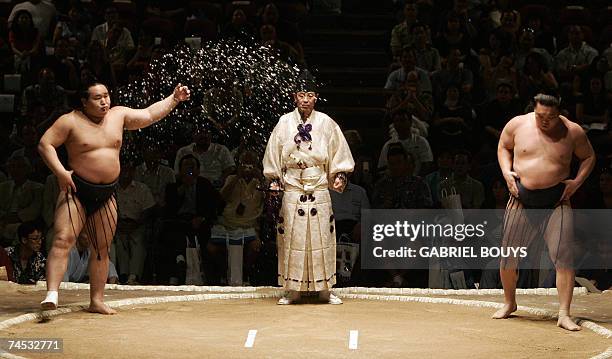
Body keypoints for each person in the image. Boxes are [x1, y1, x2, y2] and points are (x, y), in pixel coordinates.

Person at [38, 80, 190, 314]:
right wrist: (60, 172)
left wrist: (174, 99)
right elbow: (45, 144)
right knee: (62, 239)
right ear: (84, 101)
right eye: (98, 98)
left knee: (101, 249)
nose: (104, 101)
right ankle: (52, 294)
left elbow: (149, 114)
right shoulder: (70, 121)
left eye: (106, 96)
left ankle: (96, 300)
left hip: (106, 192)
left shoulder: (118, 116)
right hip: (76, 189)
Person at [494, 92, 595, 331]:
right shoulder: (518, 124)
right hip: (521, 199)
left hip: (556, 201)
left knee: (563, 256)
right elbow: (503, 147)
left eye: (549, 117)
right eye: (540, 116)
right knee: (509, 256)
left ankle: (564, 313)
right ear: (534, 109)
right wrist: (506, 172)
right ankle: (509, 302)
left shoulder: (573, 131)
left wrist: (576, 182)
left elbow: (589, 156)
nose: (544, 121)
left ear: (558, 113)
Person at [263, 73, 354, 305]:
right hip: (293, 187)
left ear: (316, 98)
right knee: (292, 239)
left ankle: (325, 289)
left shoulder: (326, 123)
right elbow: (273, 154)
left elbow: (339, 153)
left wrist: (340, 174)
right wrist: (274, 180)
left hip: (318, 187)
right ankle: (292, 289)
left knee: (322, 238)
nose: (305, 99)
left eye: (310, 95)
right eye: (301, 95)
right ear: (295, 97)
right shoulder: (284, 123)